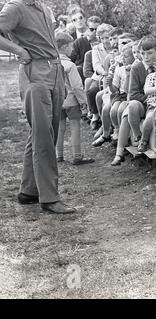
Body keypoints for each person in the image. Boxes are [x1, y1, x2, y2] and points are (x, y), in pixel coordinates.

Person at [0, 0, 76, 214]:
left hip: (54, 70)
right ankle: (50, 198)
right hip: (36, 72)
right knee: (43, 134)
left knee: (43, 134)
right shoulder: (14, 7)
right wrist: (18, 50)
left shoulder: (44, 8)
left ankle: (29, 191)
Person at [110, 36, 156, 166]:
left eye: (150, 53)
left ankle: (124, 151)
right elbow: (133, 94)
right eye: (143, 54)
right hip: (142, 102)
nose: (146, 57)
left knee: (128, 113)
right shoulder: (137, 68)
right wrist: (150, 99)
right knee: (131, 108)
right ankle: (133, 140)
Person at [55, 32, 95, 166]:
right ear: (65, 47)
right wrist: (83, 102)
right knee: (75, 127)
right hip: (71, 101)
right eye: (71, 46)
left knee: (59, 128)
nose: (73, 49)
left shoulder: (52, 63)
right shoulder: (70, 66)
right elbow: (77, 86)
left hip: (58, 101)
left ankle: (58, 155)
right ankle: (77, 156)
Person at [69, 15, 101, 82]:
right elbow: (71, 59)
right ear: (87, 29)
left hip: (99, 70)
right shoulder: (79, 42)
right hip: (83, 72)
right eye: (92, 29)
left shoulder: (103, 42)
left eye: (97, 29)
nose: (94, 32)